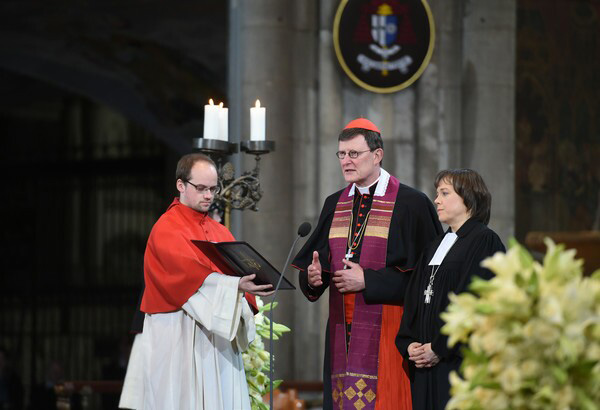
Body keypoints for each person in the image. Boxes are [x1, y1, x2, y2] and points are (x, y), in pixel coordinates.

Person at [292, 118, 442, 410]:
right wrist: (312, 279)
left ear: (377, 155)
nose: (346, 161)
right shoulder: (334, 203)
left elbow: (430, 280)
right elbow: (319, 269)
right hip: (341, 334)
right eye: (342, 154)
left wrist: (369, 281)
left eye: (354, 154)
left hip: (392, 331)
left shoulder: (412, 203)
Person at [119, 153, 274, 410]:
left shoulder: (219, 230)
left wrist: (251, 284)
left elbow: (237, 271)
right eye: (201, 188)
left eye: (213, 189)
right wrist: (235, 286)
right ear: (181, 185)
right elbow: (186, 273)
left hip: (218, 344)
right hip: (179, 338)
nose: (209, 196)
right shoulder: (166, 228)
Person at [395, 169, 506, 410]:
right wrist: (409, 343)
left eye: (445, 193)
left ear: (468, 197)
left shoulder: (485, 241)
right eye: (437, 194)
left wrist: (440, 347)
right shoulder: (435, 245)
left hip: (458, 364)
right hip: (425, 364)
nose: (436, 200)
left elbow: (474, 301)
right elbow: (414, 297)